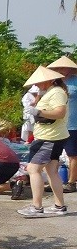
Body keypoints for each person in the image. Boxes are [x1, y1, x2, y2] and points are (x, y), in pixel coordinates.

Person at [17, 66, 69, 217]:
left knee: (33, 169)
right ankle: (59, 206)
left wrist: (38, 112)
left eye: (39, 82)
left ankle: (37, 207)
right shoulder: (49, 92)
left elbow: (60, 112)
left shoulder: (57, 92)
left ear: (49, 80)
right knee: (51, 171)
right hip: (51, 135)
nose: (37, 85)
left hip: (50, 137)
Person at [47, 55, 77, 193]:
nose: (62, 70)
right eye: (59, 68)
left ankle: (71, 182)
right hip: (57, 123)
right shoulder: (54, 83)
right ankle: (54, 180)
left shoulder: (75, 81)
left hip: (73, 123)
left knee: (72, 154)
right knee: (52, 154)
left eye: (64, 67)